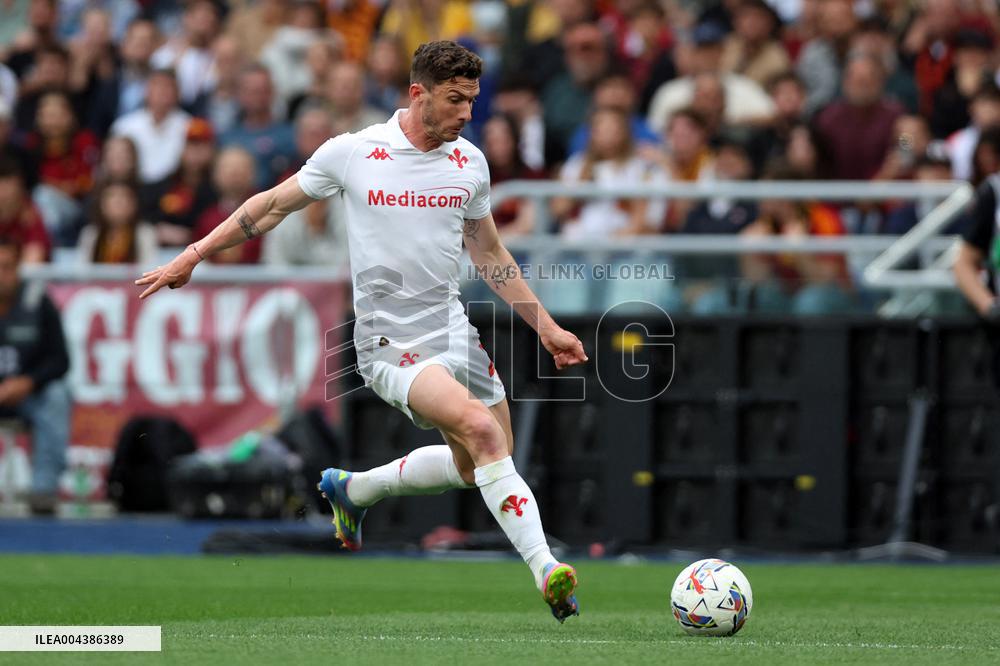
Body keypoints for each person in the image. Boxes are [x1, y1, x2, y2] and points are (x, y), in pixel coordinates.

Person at [136, 40, 586, 622]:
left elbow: (490, 251)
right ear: (418, 94)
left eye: (472, 100)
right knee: (482, 430)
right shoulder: (354, 152)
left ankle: (357, 490)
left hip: (452, 326)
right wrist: (194, 253)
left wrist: (546, 326)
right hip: (387, 340)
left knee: (483, 463)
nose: (467, 113)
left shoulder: (469, 163)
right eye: (455, 100)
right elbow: (271, 206)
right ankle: (548, 570)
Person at [0, 236, 70, 514]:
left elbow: (60, 359)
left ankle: (43, 491)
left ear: (18, 268)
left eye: (6, 267)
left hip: (27, 394)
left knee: (56, 395)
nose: (1, 275)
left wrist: (29, 381)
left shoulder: (37, 302)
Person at [77, 180, 158, 264]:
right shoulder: (91, 234)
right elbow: (83, 270)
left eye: (124, 198)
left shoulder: (144, 233)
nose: (119, 203)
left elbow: (148, 268)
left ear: (134, 205)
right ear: (102, 205)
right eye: (112, 198)